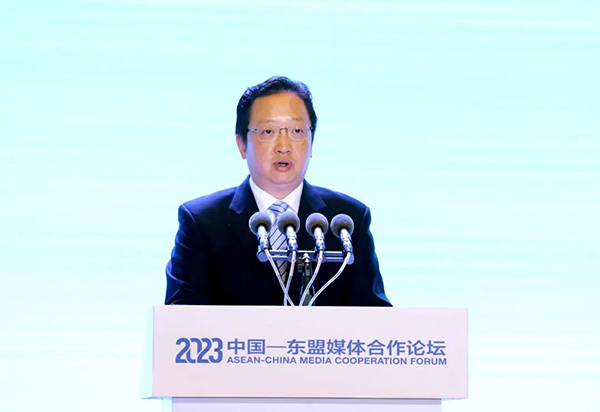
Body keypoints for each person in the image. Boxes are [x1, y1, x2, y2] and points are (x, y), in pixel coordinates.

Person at [165, 76, 391, 306]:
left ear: (312, 141)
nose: (283, 147)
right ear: (241, 145)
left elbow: (376, 315)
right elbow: (180, 316)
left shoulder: (347, 220)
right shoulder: (202, 222)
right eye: (268, 131)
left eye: (297, 130)